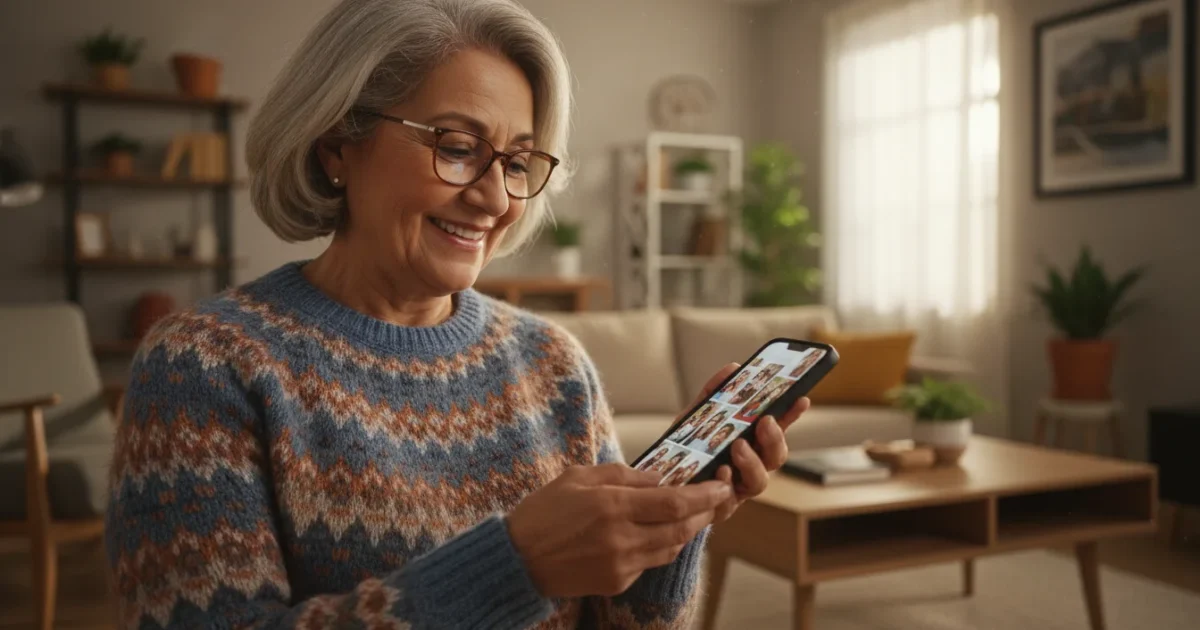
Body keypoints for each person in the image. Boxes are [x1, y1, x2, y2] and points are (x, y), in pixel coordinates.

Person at [103, 0, 810, 628]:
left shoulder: (554, 363)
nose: (496, 198)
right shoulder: (204, 365)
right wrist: (517, 566)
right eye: (459, 148)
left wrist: (673, 525)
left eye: (518, 163)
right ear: (337, 144)